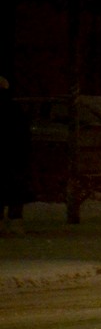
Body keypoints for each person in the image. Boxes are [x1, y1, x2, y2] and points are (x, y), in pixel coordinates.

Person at [0, 76, 33, 236]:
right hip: (14, 156)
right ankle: (15, 222)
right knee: (15, 190)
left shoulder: (13, 110)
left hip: (8, 155)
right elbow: (23, 134)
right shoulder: (15, 109)